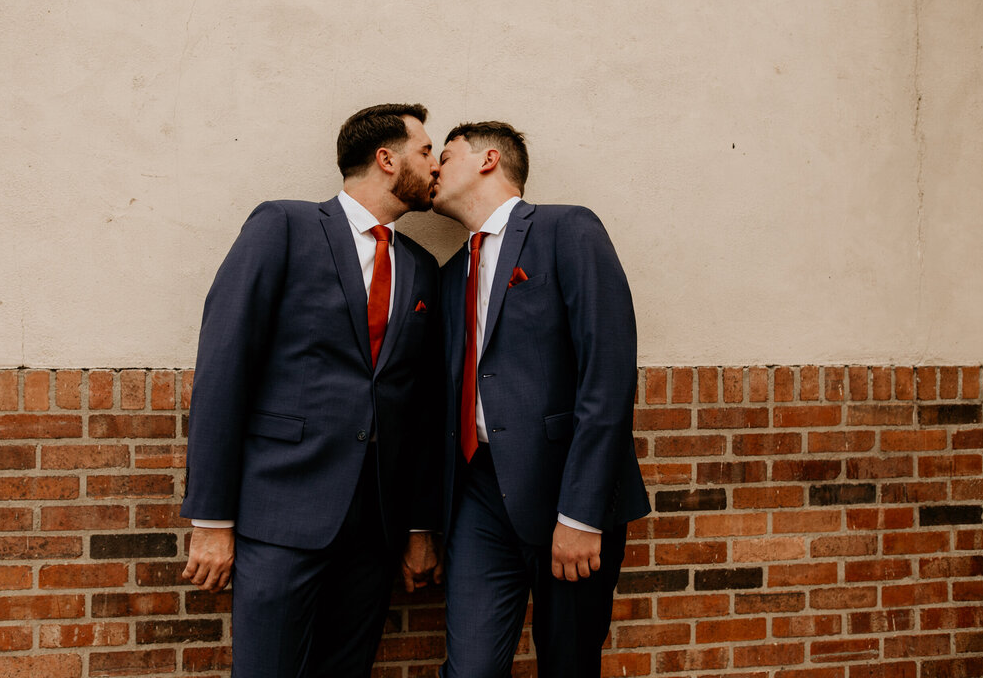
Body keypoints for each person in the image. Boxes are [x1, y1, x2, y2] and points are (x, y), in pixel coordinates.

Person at [180, 103, 445, 678]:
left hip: (376, 528)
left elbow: (423, 409)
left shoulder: (422, 267)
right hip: (281, 516)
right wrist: (211, 520)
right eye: (426, 152)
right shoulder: (284, 226)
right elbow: (224, 369)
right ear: (386, 159)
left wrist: (420, 527)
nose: (436, 165)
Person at [430, 121, 651, 678]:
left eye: (447, 155)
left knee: (568, 666)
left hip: (565, 493)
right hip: (477, 497)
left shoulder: (566, 229)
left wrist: (580, 513)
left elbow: (607, 375)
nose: (433, 168)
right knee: (471, 669)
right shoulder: (452, 272)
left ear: (488, 160)